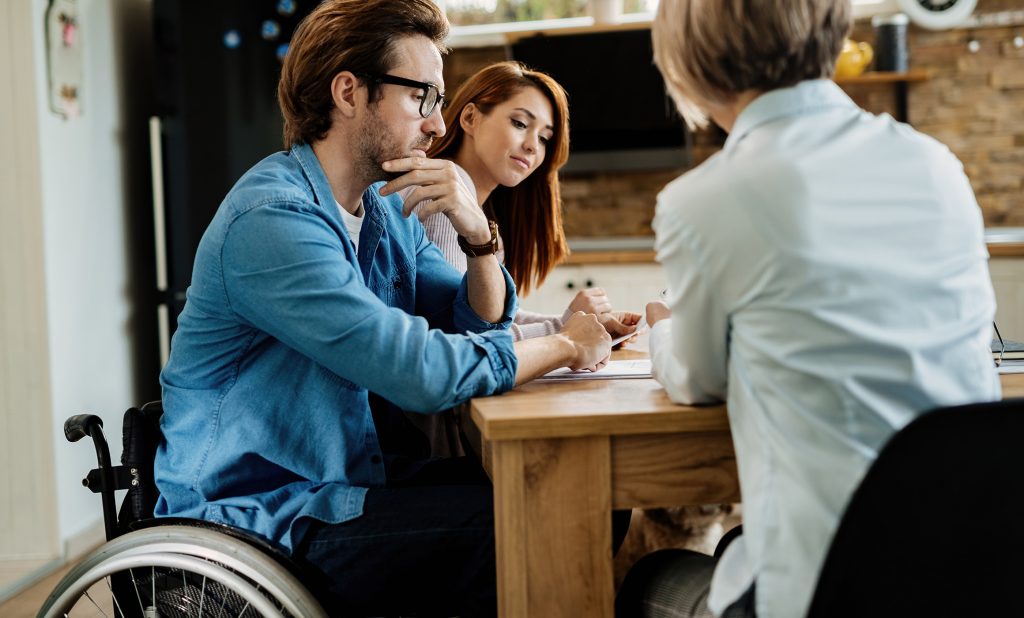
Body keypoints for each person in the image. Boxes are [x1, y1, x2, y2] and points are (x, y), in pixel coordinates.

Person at [153, 1, 611, 616]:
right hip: (258, 521)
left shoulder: (387, 207)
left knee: (583, 492)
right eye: (422, 96)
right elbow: (423, 373)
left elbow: (472, 320)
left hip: (348, 481)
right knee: (542, 521)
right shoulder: (272, 220)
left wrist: (479, 236)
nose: (437, 124)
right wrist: (565, 344)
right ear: (349, 92)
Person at [617, 1, 1001, 617]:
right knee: (739, 544)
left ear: (689, 61)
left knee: (649, 576)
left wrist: (665, 328)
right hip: (978, 572)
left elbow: (696, 380)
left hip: (828, 594)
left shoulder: (702, 199)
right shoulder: (936, 164)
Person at [398, 61, 641, 457]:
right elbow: (468, 342)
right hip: (423, 442)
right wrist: (564, 333)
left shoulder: (478, 212)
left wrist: (576, 324)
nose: (533, 146)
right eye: (520, 123)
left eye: (544, 138)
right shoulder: (446, 198)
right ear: (470, 118)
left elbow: (488, 320)